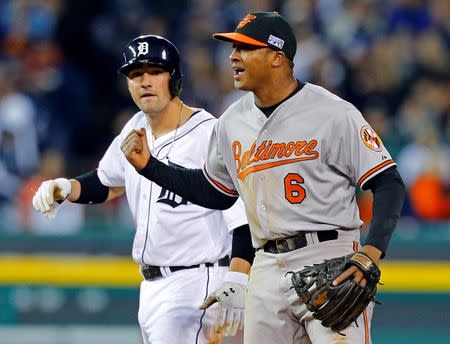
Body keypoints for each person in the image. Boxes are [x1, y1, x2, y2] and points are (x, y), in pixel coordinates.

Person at [121, 12, 406, 344]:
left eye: (245, 48)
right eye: (233, 48)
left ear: (277, 57)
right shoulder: (231, 122)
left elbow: (388, 182)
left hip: (331, 255)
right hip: (266, 266)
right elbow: (216, 192)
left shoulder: (333, 113)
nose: (233, 56)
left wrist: (371, 252)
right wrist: (151, 167)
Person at [32, 35, 254, 344]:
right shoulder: (135, 126)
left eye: (155, 71)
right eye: (136, 74)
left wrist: (238, 276)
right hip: (152, 286)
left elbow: (242, 216)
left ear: (174, 78)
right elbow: (108, 182)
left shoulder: (208, 134)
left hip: (196, 281)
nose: (145, 81)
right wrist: (65, 187)